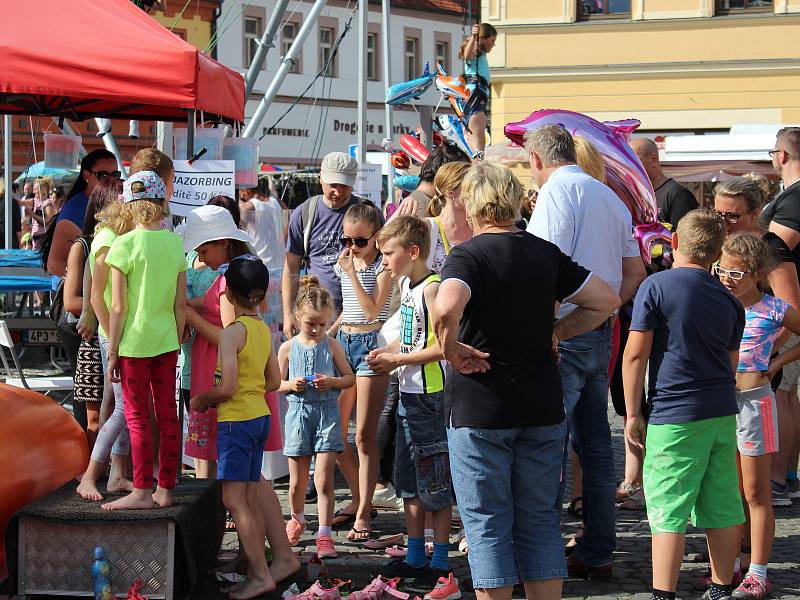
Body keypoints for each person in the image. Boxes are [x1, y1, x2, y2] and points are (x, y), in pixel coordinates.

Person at [434, 161, 620, 600]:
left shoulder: (468, 254)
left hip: (481, 407)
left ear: (473, 206)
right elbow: (606, 301)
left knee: (487, 523)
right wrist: (556, 332)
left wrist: (450, 349)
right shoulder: (543, 252)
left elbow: (445, 308)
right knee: (538, 519)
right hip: (541, 405)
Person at [526, 124, 646, 577]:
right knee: (595, 446)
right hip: (597, 329)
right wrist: (605, 312)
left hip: (565, 333)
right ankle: (597, 550)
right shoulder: (609, 195)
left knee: (549, 447)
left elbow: (545, 272)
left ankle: (544, 554)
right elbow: (634, 270)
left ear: (537, 160)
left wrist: (550, 331)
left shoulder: (558, 194)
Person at [623, 209, 746, 600]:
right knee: (723, 503)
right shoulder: (731, 302)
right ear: (716, 253)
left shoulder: (657, 286)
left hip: (675, 413)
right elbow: (731, 365)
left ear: (674, 243)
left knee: (667, 508)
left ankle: (664, 593)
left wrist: (632, 412)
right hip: (721, 412)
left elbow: (634, 356)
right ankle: (722, 588)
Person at [369, 215, 456, 597]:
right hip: (408, 392)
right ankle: (416, 554)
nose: (384, 261)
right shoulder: (406, 283)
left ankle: (440, 562)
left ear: (414, 251)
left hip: (429, 396)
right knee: (408, 480)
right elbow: (410, 339)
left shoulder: (434, 288)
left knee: (434, 480)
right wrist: (387, 352)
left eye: (389, 253)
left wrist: (397, 361)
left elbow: (443, 348)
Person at [190, 255, 282, 600]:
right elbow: (272, 381)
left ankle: (260, 573)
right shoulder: (262, 329)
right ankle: (255, 569)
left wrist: (202, 399)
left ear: (226, 293)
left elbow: (226, 388)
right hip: (258, 417)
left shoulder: (232, 334)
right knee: (244, 498)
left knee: (233, 498)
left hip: (236, 422)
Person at [718, 232, 800, 599]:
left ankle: (758, 572)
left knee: (756, 492)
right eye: (722, 270)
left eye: (736, 274)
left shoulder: (775, 309)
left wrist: (777, 361)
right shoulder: (717, 303)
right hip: (720, 406)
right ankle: (729, 566)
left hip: (755, 405)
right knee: (727, 492)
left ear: (756, 273)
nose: (727, 279)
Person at [101, 171, 186, 511]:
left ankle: (140, 489)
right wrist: (177, 338)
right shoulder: (174, 242)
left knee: (137, 416)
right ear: (161, 203)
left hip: (134, 344)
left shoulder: (123, 244)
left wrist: (113, 351)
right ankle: (164, 488)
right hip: (166, 341)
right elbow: (179, 304)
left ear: (131, 205)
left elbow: (118, 306)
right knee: (167, 415)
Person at [714, 173, 800, 507]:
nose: (725, 222)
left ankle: (778, 479)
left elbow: (790, 309)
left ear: (755, 213)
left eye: (732, 215)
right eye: (719, 215)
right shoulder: (727, 247)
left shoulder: (772, 248)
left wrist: (768, 355)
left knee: (783, 401)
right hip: (740, 356)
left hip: (774, 341)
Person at [278, 276, 355, 557]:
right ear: (298, 318)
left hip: (327, 415)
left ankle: (324, 534)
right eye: (311, 323)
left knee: (323, 480)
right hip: (298, 416)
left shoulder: (332, 345)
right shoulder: (288, 348)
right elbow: (273, 382)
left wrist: (332, 382)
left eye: (323, 324)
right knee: (297, 481)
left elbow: (348, 378)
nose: (317, 329)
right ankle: (296, 519)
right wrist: (290, 384)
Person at [330, 203, 393, 540]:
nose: (351, 248)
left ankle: (365, 510)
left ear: (375, 238)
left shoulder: (383, 267)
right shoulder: (347, 263)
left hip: (371, 344)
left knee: (363, 436)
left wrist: (352, 272)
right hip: (344, 341)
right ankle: (360, 500)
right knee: (335, 435)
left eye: (359, 241)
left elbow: (371, 311)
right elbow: (349, 310)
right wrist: (329, 332)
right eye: (346, 240)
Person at [181, 205, 254, 480]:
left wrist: (190, 315)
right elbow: (216, 304)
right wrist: (194, 304)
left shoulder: (227, 278)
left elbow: (228, 335)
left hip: (218, 370)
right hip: (219, 369)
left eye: (203, 251)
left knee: (219, 449)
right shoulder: (238, 270)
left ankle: (220, 508)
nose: (200, 259)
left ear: (223, 243)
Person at [77, 177, 133, 501]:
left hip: (118, 333)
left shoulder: (113, 237)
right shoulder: (108, 239)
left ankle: (116, 474)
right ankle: (91, 476)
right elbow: (97, 296)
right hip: (113, 335)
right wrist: (112, 337)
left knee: (120, 406)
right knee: (123, 409)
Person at [63, 175, 123, 446]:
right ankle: (90, 469)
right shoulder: (85, 245)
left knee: (115, 410)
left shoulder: (126, 243)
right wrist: (99, 310)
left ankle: (107, 469)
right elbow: (70, 301)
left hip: (111, 334)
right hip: (93, 338)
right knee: (97, 415)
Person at [282, 152, 363, 339]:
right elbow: (291, 267)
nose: (338, 191)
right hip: (316, 317)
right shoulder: (305, 213)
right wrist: (287, 315)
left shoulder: (366, 211)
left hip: (358, 318)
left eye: (345, 185)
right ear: (321, 179)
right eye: (333, 185)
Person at [762, 127, 800, 504]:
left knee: (783, 394)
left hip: (789, 306)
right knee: (788, 394)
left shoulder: (793, 199)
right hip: (792, 304)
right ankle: (786, 474)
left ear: (783, 155)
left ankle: (777, 479)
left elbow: (771, 250)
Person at [44, 149, 118, 277]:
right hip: (79, 293)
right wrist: (84, 285)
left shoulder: (114, 204)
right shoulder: (73, 210)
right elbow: (54, 264)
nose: (111, 180)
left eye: (115, 174)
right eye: (103, 175)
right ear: (87, 176)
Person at [631, 138, 698, 227]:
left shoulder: (678, 194)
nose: (628, 165)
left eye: (633, 159)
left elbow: (684, 238)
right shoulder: (636, 194)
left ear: (653, 160)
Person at [398, 145, 471, 219]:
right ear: (447, 174)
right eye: (463, 176)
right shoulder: (420, 207)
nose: (467, 183)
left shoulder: (423, 201)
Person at [458, 23, 497, 157]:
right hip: (476, 97)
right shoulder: (477, 51)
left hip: (475, 98)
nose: (493, 44)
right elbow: (468, 55)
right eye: (492, 41)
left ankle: (477, 166)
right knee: (478, 142)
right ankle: (478, 169)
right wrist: (474, 37)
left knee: (475, 142)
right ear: (484, 39)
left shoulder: (480, 54)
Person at [240, 181, 285, 270]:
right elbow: (292, 221)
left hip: (258, 263)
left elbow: (238, 231)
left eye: (242, 194)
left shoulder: (247, 207)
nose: (242, 197)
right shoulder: (277, 201)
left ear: (245, 191)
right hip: (280, 263)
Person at [30, 177, 54, 251]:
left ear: (43, 190)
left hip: (42, 236)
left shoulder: (47, 202)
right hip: (36, 236)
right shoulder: (36, 201)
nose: (33, 192)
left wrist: (32, 214)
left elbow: (48, 221)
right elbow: (20, 202)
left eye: (35, 189)